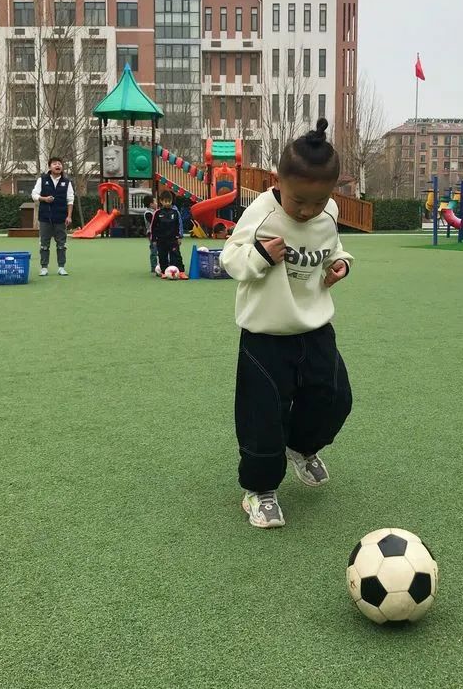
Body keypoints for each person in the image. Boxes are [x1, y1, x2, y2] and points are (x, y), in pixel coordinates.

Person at [220, 119, 353, 529]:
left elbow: (333, 246)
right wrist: (259, 255)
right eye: (298, 201)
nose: (307, 211)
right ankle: (260, 490)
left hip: (315, 330)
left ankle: (302, 447)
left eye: (318, 201)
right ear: (278, 181)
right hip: (265, 335)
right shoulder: (261, 213)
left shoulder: (327, 211)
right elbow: (230, 259)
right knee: (262, 416)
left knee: (335, 398)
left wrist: (341, 265)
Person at [31, 157, 74, 276]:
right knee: (44, 243)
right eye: (55, 164)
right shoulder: (42, 179)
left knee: (61, 244)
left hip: (61, 218)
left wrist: (69, 216)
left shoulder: (67, 182)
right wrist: (44, 199)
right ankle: (44, 267)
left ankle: (61, 267)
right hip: (45, 217)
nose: (58, 166)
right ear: (50, 167)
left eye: (60, 164)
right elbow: (34, 194)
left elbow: (70, 200)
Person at [150, 190, 188, 279]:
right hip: (161, 240)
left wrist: (179, 237)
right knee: (162, 256)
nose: (167, 203)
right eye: (165, 201)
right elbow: (153, 227)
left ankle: (181, 272)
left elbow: (178, 225)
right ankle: (164, 272)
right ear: (161, 201)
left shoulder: (175, 212)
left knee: (176, 256)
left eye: (169, 201)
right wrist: (154, 239)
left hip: (173, 239)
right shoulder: (158, 213)